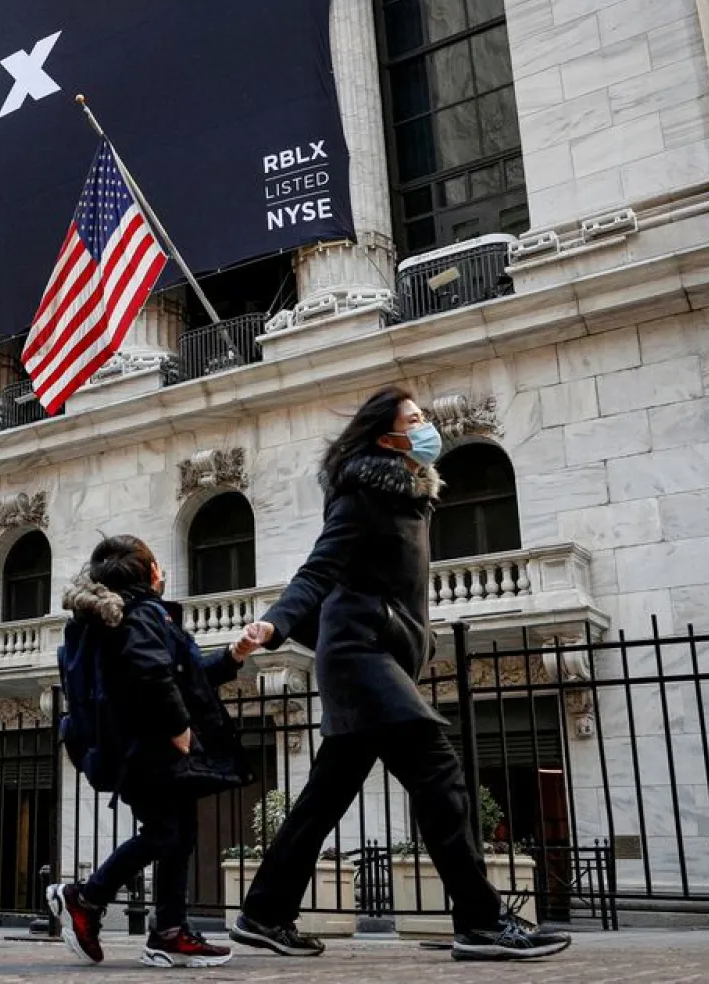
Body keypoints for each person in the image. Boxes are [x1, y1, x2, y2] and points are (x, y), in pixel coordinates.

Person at [227, 387, 572, 963]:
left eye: (424, 418)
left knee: (323, 798)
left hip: (376, 651)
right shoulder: (365, 492)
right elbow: (318, 569)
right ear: (386, 436)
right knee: (442, 780)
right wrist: (272, 625)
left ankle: (264, 913)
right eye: (413, 420)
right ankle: (482, 922)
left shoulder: (410, 494)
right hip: (361, 655)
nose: (426, 426)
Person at [46, 535, 254, 968]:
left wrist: (234, 656)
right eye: (157, 563)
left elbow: (185, 676)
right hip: (149, 751)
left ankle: (169, 933)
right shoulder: (143, 616)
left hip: (144, 751)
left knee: (178, 837)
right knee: (165, 834)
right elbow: (151, 671)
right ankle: (85, 897)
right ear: (152, 571)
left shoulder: (129, 616)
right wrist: (178, 727)